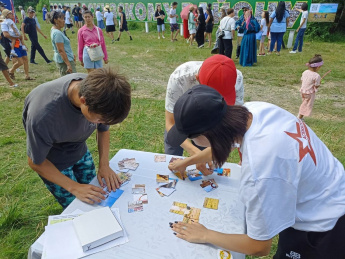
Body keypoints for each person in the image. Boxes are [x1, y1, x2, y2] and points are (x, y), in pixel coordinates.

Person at [167, 85, 345, 258]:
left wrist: (205, 235)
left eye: (190, 137)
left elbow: (259, 246)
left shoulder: (259, 171)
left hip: (323, 227)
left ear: (207, 135)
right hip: (331, 188)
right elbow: (227, 141)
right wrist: (188, 161)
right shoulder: (254, 110)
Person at [23, 67, 132, 209]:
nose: (101, 125)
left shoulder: (99, 91)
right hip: (53, 162)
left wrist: (104, 165)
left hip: (79, 149)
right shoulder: (43, 116)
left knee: (95, 192)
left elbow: (103, 130)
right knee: (77, 206)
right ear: (83, 101)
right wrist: (74, 187)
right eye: (99, 121)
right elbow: (35, 162)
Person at [165, 54, 244, 174]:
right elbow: (170, 123)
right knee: (173, 147)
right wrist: (195, 153)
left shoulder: (235, 78)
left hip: (213, 125)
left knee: (204, 149)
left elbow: (233, 134)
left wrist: (201, 155)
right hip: (180, 124)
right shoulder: (179, 78)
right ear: (197, 79)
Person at [2, 9, 33, 80]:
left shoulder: (12, 22)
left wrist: (23, 44)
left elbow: (17, 33)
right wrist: (15, 38)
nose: (12, 15)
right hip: (14, 45)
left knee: (25, 59)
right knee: (20, 62)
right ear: (6, 15)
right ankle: (11, 70)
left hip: (20, 44)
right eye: (10, 14)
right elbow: (5, 34)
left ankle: (27, 76)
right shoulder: (4, 23)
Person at [50, 10, 77, 76]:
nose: (64, 21)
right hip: (64, 61)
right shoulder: (57, 33)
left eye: (64, 18)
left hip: (66, 58)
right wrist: (68, 64)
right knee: (71, 81)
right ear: (55, 20)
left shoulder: (56, 30)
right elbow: (61, 50)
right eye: (61, 18)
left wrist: (71, 55)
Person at [297, 54, 323, 120]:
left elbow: (302, 80)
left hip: (303, 91)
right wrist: (319, 83)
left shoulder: (305, 72)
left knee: (304, 102)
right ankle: (299, 117)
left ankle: (300, 116)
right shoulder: (316, 76)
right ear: (318, 67)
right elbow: (316, 86)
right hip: (309, 93)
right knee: (306, 105)